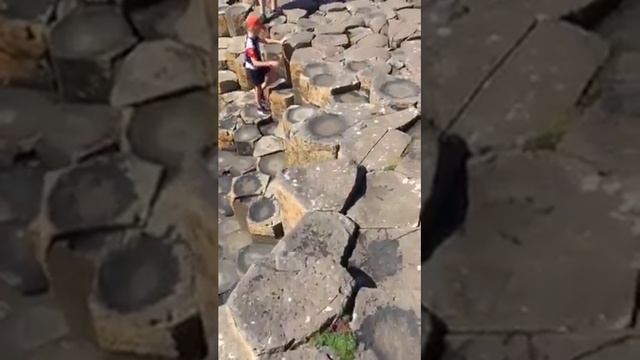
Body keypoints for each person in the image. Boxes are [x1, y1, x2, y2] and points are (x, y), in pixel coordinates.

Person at [244, 13, 283, 115]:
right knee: (258, 87)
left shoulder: (254, 36)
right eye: (259, 28)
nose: (260, 30)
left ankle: (262, 89)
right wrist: (270, 62)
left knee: (272, 74)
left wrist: (279, 42)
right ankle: (259, 106)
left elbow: (265, 40)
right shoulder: (250, 45)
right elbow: (255, 63)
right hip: (253, 68)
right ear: (253, 28)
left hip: (258, 65)